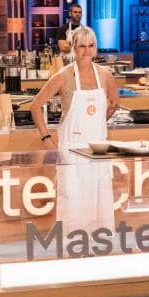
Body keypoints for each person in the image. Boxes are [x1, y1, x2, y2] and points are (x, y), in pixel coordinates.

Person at [31, 25, 120, 233]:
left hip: (98, 151)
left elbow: (114, 102)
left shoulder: (105, 75)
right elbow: (36, 106)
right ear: (73, 47)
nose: (87, 51)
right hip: (71, 153)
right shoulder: (63, 76)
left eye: (91, 46)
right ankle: (72, 247)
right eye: (82, 46)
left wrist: (100, 120)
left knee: (100, 205)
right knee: (72, 206)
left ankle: (100, 245)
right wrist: (46, 139)